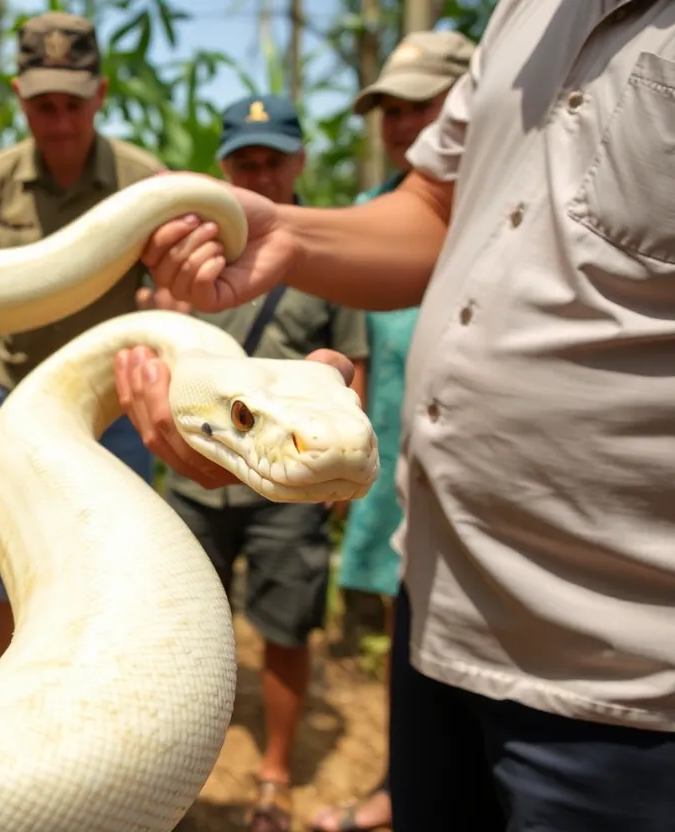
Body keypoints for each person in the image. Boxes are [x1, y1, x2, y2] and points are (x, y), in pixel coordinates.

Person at [115, 3, 675, 830]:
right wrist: (289, 237)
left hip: (626, 664)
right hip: (439, 590)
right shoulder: (524, 15)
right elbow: (437, 206)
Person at [158, 93, 368, 832]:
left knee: (285, 626)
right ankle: (181, 769)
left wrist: (342, 467)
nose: (261, 173)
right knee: (187, 629)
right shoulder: (194, 257)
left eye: (273, 159)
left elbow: (353, 362)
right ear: (226, 169)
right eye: (245, 161)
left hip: (292, 482)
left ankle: (274, 772)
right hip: (199, 481)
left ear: (299, 161)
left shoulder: (331, 254)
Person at [0, 10, 167, 670]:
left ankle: (114, 697)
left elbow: (173, 292)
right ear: (20, 98)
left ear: (100, 95)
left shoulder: (143, 182)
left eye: (74, 104)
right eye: (45, 106)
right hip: (13, 403)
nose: (61, 122)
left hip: (114, 410)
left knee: (120, 561)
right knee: (4, 564)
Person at [308, 29, 475, 832]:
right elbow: (358, 346)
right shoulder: (372, 212)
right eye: (390, 112)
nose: (403, 126)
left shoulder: (506, 209)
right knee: (406, 626)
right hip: (393, 453)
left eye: (420, 107)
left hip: (479, 464)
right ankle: (401, 785)